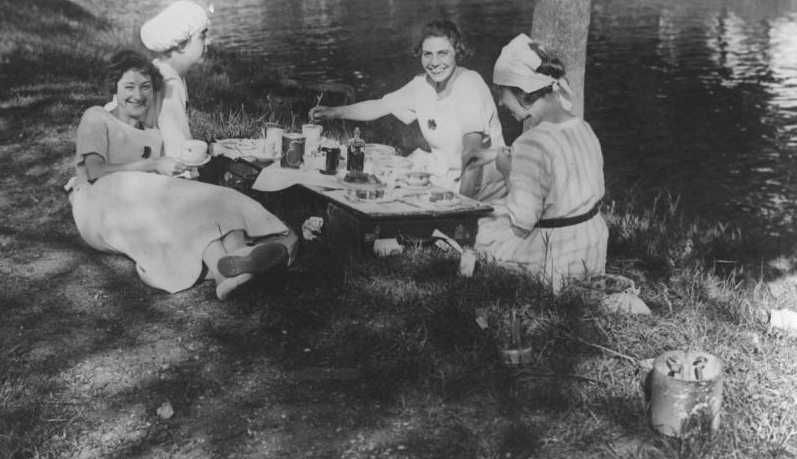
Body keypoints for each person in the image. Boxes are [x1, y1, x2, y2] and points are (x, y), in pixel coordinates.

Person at [68, 50, 298, 301]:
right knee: (178, 211)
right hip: (99, 204)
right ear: (115, 87)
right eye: (129, 87)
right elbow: (94, 171)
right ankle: (225, 269)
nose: (138, 95)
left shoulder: (153, 133)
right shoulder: (97, 117)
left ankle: (240, 259)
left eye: (146, 87)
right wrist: (155, 164)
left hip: (137, 199)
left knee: (207, 199)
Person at [309, 19, 506, 200]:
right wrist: (334, 112)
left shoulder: (469, 85)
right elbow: (380, 106)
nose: (435, 63)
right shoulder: (422, 85)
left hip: (482, 191)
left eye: (443, 53)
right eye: (428, 54)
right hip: (446, 182)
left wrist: (463, 209)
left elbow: (473, 157)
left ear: (457, 52)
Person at [473, 33, 607, 291]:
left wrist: (507, 171)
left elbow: (523, 218)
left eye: (502, 92)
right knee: (494, 214)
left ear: (522, 92)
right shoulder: (582, 127)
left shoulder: (531, 142)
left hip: (557, 257)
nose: (501, 102)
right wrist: (496, 156)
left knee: (480, 227)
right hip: (592, 246)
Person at [105, 0, 210, 158]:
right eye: (202, 37)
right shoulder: (170, 85)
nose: (208, 42)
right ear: (181, 45)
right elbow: (176, 142)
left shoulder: (157, 69)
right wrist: (189, 172)